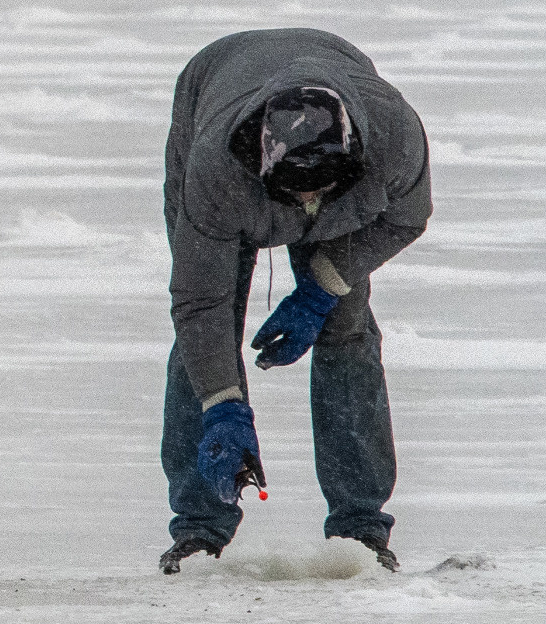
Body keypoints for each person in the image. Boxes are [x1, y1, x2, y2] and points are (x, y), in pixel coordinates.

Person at [159, 29, 428, 573]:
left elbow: (406, 217)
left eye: (319, 188)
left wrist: (322, 286)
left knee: (345, 325)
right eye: (294, 188)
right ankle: (199, 529)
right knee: (208, 338)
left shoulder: (394, 139)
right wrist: (223, 404)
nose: (307, 200)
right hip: (214, 85)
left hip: (349, 169)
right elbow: (198, 301)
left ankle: (360, 529)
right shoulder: (216, 167)